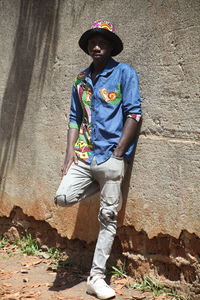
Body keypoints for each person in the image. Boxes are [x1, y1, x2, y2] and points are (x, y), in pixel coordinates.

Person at [54, 20, 142, 300]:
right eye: (93, 42)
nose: (96, 46)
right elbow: (73, 117)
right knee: (63, 197)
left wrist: (118, 154)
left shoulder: (123, 73)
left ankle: (97, 277)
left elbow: (135, 114)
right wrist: (69, 154)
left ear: (112, 46)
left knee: (107, 217)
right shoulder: (81, 79)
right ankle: (101, 184)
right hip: (85, 155)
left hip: (111, 156)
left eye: (102, 42)